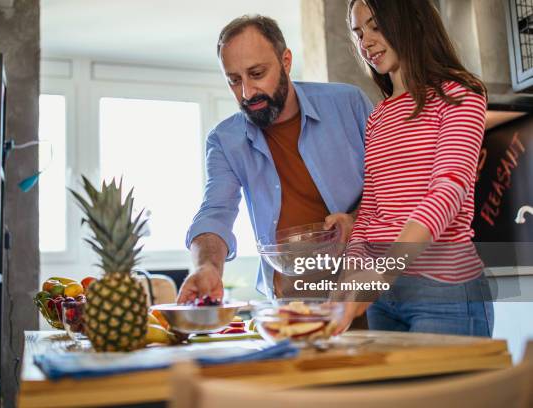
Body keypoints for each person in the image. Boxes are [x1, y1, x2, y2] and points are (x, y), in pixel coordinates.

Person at [177, 15, 373, 306]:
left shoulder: (348, 104)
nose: (247, 93)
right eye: (234, 81)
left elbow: (391, 182)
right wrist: (207, 266)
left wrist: (355, 220)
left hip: (368, 289)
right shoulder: (224, 140)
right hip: (293, 303)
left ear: (286, 61)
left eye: (257, 73)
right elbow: (215, 212)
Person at [334, 0, 493, 336]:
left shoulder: (459, 94)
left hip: (443, 289)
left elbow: (448, 191)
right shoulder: (378, 117)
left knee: (442, 391)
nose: (366, 43)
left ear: (412, 21)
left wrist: (383, 271)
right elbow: (371, 210)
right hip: (385, 297)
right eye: (358, 34)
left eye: (375, 27)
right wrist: (352, 275)